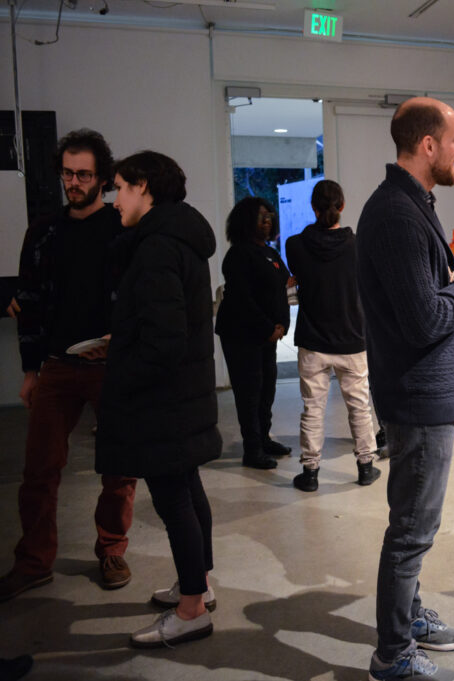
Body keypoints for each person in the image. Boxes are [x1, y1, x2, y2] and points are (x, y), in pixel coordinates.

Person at [357, 97, 454, 681]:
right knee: (413, 530)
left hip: (421, 392)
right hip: (416, 396)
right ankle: (392, 656)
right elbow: (423, 320)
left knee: (412, 520)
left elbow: (428, 298)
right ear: (428, 145)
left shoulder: (411, 205)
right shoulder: (396, 213)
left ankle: (409, 616)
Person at [0, 129, 137, 602]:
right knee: (39, 468)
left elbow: (138, 299)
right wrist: (30, 370)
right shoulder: (43, 232)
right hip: (57, 366)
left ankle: (112, 549)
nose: (73, 182)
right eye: (67, 173)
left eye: (83, 174)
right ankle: (34, 561)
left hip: (110, 365)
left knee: (119, 467)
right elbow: (30, 301)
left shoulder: (122, 230)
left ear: (102, 178)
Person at [96, 151, 221, 647]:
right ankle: (200, 586)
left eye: (121, 187)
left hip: (162, 402)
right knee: (187, 491)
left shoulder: (155, 248)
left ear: (144, 187)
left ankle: (192, 610)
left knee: (175, 500)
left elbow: (165, 342)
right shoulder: (180, 240)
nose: (115, 199)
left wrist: (122, 371)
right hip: (182, 397)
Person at [286, 179, 381, 491]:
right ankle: (366, 467)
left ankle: (310, 473)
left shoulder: (294, 246)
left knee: (312, 408)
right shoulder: (359, 245)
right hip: (353, 338)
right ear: (341, 206)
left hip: (313, 340)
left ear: (313, 208)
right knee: (359, 407)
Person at [215, 197, 292, 470]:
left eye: (269, 215)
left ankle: (264, 439)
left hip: (267, 335)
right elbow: (242, 300)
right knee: (249, 392)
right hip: (242, 335)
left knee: (267, 388)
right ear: (246, 220)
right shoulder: (238, 254)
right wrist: (269, 327)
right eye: (261, 216)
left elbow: (283, 285)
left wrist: (282, 324)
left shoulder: (269, 252)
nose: (268, 220)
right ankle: (252, 449)